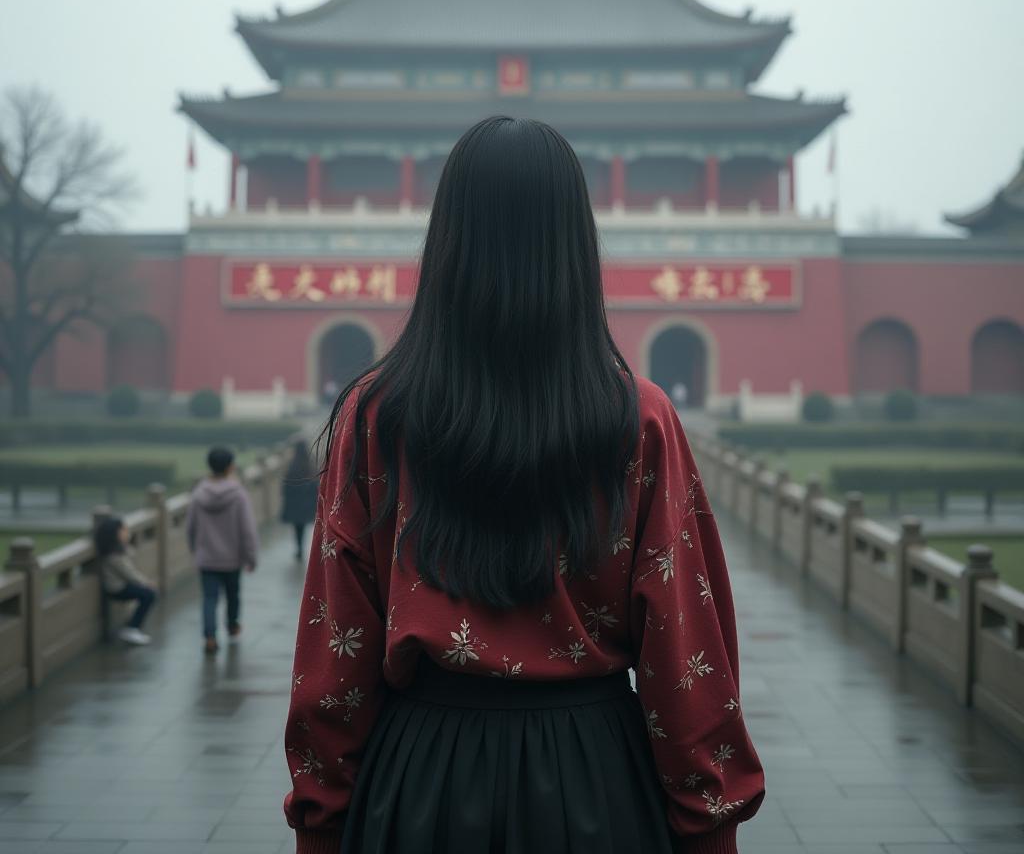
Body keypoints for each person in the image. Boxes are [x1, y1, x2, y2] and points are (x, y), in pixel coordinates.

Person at [282, 117, 766, 854]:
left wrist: (320, 822)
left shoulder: (377, 416)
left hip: (420, 782)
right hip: (594, 780)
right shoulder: (638, 417)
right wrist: (709, 825)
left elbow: (334, 649)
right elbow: (685, 648)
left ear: (446, 241)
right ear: (576, 244)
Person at [186, 445, 259, 655]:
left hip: (207, 558)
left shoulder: (198, 493)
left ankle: (209, 637)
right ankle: (232, 625)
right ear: (230, 467)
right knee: (232, 594)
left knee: (209, 598)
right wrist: (251, 557)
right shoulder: (238, 494)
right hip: (232, 558)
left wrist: (196, 550)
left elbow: (190, 528)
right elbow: (247, 529)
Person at [93, 515, 158, 646]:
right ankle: (132, 628)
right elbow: (129, 574)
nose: (127, 533)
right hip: (116, 588)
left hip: (121, 585)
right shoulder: (113, 555)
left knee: (147, 594)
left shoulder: (116, 550)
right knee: (149, 595)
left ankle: (132, 626)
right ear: (114, 534)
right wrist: (146, 582)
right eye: (123, 530)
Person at [281, 439, 319, 559]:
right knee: (314, 526)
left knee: (298, 528)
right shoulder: (311, 464)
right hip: (308, 502)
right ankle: (315, 548)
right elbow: (316, 484)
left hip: (296, 503)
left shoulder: (292, 465)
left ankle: (299, 548)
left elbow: (286, 486)